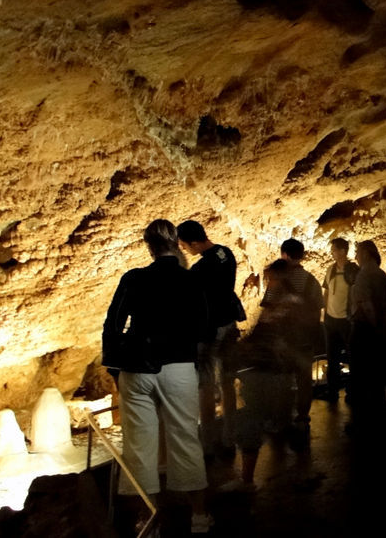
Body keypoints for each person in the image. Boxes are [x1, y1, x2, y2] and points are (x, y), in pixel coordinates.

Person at [102, 219, 212, 534]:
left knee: (139, 446)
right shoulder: (190, 281)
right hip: (178, 367)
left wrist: (114, 367)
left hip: (137, 369)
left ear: (148, 246)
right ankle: (200, 516)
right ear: (176, 244)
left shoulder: (134, 279)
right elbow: (203, 327)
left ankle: (146, 519)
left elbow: (113, 325)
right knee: (185, 439)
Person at [222, 260, 296, 493]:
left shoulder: (284, 305)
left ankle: (246, 480)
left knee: (250, 422)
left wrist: (244, 350)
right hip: (273, 370)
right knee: (266, 420)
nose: (268, 282)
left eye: (271, 278)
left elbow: (270, 337)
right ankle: (281, 479)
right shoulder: (284, 302)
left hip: (267, 371)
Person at [177, 220, 243, 457]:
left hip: (209, 331)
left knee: (204, 386)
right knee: (227, 382)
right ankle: (230, 436)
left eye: (185, 246)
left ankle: (208, 442)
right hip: (229, 324)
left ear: (194, 242)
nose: (186, 250)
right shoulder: (226, 253)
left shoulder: (200, 270)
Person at [262, 238, 324, 439]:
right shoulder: (311, 279)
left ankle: (281, 421)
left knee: (282, 380)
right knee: (304, 380)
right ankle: (302, 419)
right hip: (305, 338)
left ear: (285, 255)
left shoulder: (278, 278)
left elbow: (269, 307)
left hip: (283, 339)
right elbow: (318, 309)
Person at [348, 240, 386, 431]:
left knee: (360, 374)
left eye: (357, 252)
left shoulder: (365, 274)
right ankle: (379, 414)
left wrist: (375, 327)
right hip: (377, 329)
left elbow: (366, 304)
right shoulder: (382, 275)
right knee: (375, 374)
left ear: (365, 253)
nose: (355, 257)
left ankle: (361, 421)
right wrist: (382, 328)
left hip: (365, 329)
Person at [322, 238, 359, 402]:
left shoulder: (353, 270)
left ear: (343, 251)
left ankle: (352, 392)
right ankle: (332, 391)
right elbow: (327, 292)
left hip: (346, 320)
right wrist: (324, 315)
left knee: (352, 358)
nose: (332, 252)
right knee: (332, 358)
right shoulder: (330, 269)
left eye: (335, 249)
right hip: (331, 320)